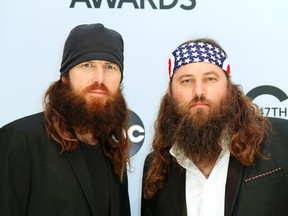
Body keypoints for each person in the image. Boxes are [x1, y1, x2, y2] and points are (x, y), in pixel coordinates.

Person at [141, 38, 288, 216]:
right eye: (187, 81)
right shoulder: (156, 168)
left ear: (229, 88)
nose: (199, 91)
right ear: (170, 92)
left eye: (210, 79)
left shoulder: (280, 138)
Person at [0, 23, 131, 216]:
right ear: (65, 76)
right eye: (87, 65)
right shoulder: (20, 139)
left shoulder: (113, 151)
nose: (100, 78)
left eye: (110, 67)